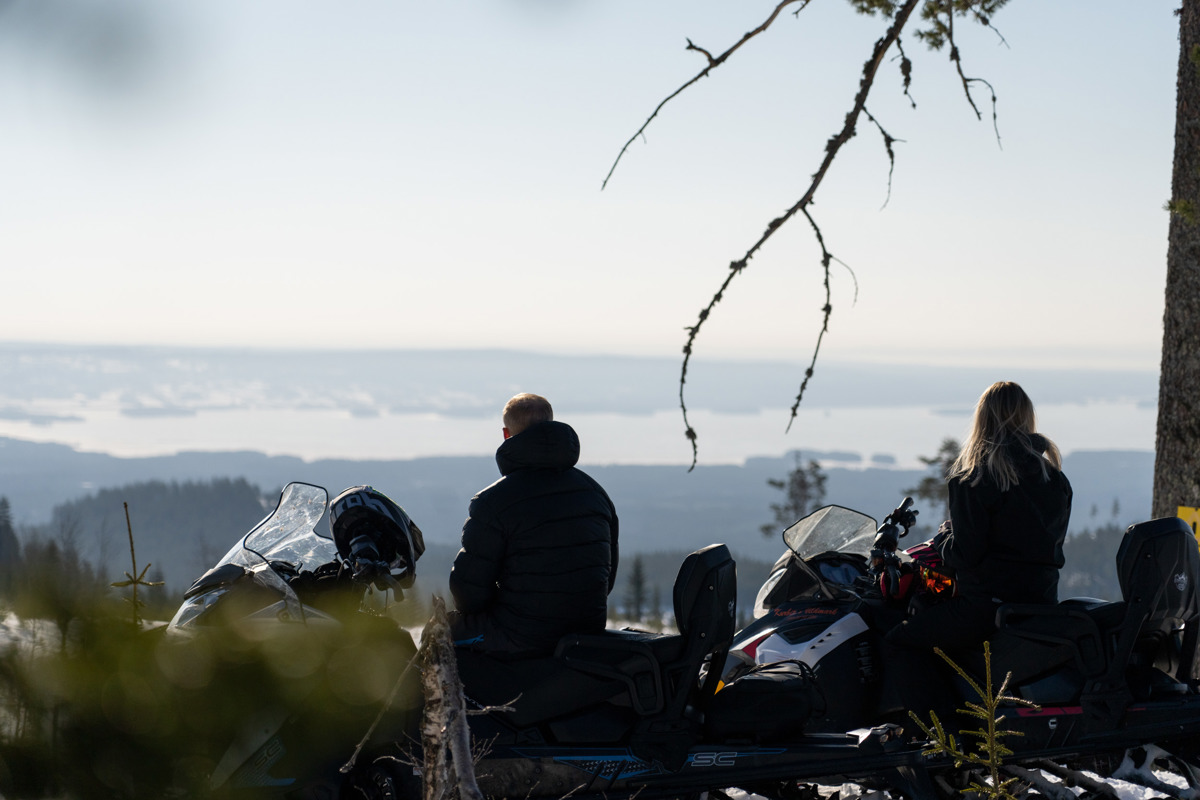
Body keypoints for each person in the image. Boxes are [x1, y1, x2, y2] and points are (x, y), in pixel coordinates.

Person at [881, 381, 1072, 721]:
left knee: (899, 641)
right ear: (1027, 417)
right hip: (1040, 605)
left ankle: (943, 738)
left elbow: (965, 553)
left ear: (982, 419)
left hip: (985, 606)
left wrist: (942, 539)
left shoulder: (976, 475)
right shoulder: (1054, 478)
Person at [449, 393, 619, 657]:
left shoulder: (493, 501)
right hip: (585, 632)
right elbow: (606, 576)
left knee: (439, 634)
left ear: (507, 434)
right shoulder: (595, 493)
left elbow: (468, 591)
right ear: (551, 424)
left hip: (520, 635)